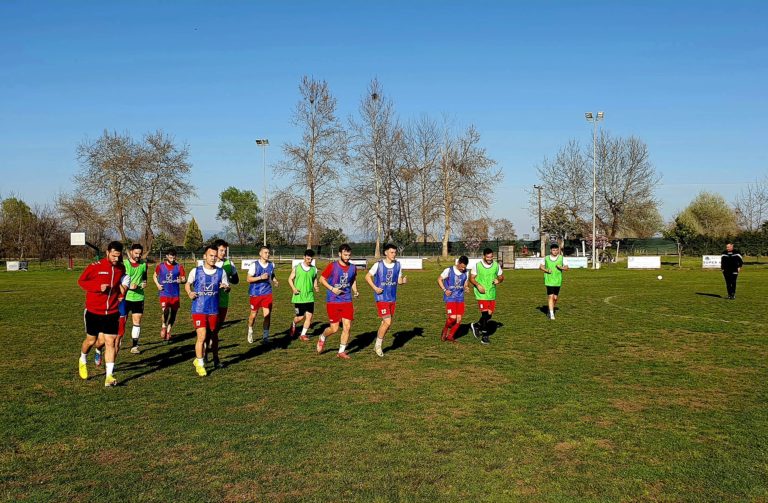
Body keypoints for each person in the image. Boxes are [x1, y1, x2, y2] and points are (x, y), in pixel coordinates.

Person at [77, 241, 126, 387]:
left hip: (111, 311)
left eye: (118, 256)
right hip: (93, 311)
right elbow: (81, 281)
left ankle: (109, 376)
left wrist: (123, 290)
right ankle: (83, 359)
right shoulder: (95, 267)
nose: (116, 259)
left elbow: (121, 285)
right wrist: (97, 287)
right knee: (91, 341)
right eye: (113, 256)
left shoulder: (121, 269)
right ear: (107, 252)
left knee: (110, 342)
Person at [185, 245, 230, 376]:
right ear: (205, 256)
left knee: (213, 336)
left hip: (213, 309)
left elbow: (228, 288)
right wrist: (189, 292)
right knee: (202, 336)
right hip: (198, 308)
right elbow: (188, 284)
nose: (213, 258)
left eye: (215, 256)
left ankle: (215, 358)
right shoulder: (196, 271)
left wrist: (226, 288)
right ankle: (200, 363)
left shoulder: (221, 272)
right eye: (211, 255)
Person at [318, 243, 359, 359]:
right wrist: (332, 289)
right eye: (345, 255)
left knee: (347, 326)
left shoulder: (353, 268)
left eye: (349, 255)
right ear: (340, 254)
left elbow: (353, 280)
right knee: (334, 328)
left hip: (347, 300)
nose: (347, 257)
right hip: (333, 300)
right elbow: (321, 279)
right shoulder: (332, 266)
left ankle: (341, 351)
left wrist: (355, 291)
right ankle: (322, 337)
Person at [365, 243, 407, 357]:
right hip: (381, 298)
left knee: (385, 323)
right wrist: (375, 288)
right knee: (388, 322)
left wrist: (403, 281)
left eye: (395, 252)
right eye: (392, 252)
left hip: (392, 298)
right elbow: (367, 277)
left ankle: (376, 345)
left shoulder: (398, 265)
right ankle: (378, 346)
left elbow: (398, 281)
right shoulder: (378, 265)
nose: (394, 254)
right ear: (386, 253)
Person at [470, 248, 504, 345]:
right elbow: (471, 278)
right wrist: (478, 285)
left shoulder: (496, 265)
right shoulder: (477, 266)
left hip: (491, 294)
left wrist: (499, 280)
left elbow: (501, 276)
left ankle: (476, 325)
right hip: (481, 294)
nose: (490, 259)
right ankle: (485, 336)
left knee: (489, 315)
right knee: (485, 315)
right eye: (488, 257)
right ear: (484, 256)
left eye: (491, 257)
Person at [153, 248, 186, 341]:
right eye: (170, 257)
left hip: (175, 294)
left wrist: (182, 280)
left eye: (174, 258)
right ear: (167, 256)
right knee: (166, 310)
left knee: (173, 314)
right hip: (164, 293)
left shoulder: (179, 267)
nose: (172, 259)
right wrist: (158, 285)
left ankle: (168, 330)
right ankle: (163, 325)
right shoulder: (161, 266)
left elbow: (184, 279)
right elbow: (154, 275)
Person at [247, 245, 277, 344]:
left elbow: (272, 274)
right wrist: (260, 277)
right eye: (265, 252)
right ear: (260, 254)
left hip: (267, 293)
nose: (268, 254)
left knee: (267, 315)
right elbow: (248, 279)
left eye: (268, 253)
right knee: (253, 315)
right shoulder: (254, 265)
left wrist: (274, 280)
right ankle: (250, 330)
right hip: (255, 293)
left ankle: (265, 337)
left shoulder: (272, 265)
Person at [437, 255, 471, 342]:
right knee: (452, 318)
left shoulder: (466, 272)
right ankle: (445, 329)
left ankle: (450, 336)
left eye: (464, 267)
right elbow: (439, 279)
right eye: (462, 267)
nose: (463, 269)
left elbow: (465, 283)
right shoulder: (449, 270)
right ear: (458, 263)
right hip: (450, 297)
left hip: (460, 297)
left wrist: (466, 287)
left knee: (459, 319)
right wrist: (445, 290)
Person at [287, 249, 319, 342]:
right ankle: (293, 323)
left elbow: (315, 279)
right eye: (308, 259)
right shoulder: (297, 268)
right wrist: (293, 289)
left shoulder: (314, 269)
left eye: (311, 259)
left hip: (309, 296)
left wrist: (316, 286)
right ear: (304, 257)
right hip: (299, 297)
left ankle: (303, 334)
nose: (309, 261)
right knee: (300, 317)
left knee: (309, 316)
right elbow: (289, 279)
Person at [123, 243, 148, 354]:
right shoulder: (125, 264)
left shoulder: (143, 264)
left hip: (138, 297)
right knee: (122, 321)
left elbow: (144, 277)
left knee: (137, 321)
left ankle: (134, 346)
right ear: (131, 252)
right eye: (136, 253)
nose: (138, 255)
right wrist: (128, 287)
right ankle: (116, 341)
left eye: (140, 254)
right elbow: (119, 281)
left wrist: (144, 283)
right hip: (125, 297)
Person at [214, 239, 239, 331]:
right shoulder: (210, 263)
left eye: (225, 250)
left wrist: (228, 278)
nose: (223, 253)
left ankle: (211, 342)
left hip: (224, 297)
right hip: (211, 296)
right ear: (215, 250)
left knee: (219, 325)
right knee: (211, 325)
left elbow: (236, 280)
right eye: (221, 250)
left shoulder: (229, 264)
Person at [539, 243, 569, 320]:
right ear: (550, 250)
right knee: (550, 296)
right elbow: (541, 267)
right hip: (549, 280)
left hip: (558, 280)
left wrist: (561, 267)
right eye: (553, 250)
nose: (555, 251)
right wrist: (546, 270)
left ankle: (550, 309)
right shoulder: (546, 258)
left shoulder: (562, 258)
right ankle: (552, 314)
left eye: (556, 250)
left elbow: (567, 268)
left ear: (558, 250)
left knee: (555, 298)